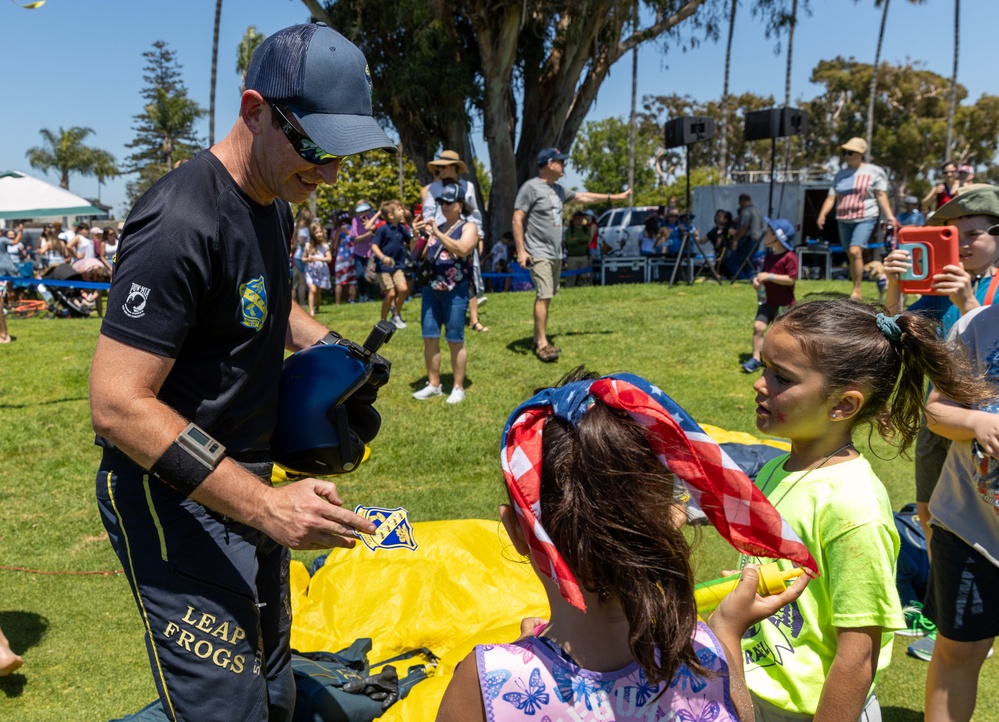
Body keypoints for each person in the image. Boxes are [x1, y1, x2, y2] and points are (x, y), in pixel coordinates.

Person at [88, 22, 393, 722]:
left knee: (274, 690)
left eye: (343, 153)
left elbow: (267, 306)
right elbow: (116, 404)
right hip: (170, 495)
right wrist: (266, 507)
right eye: (316, 148)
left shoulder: (268, 204)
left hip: (246, 483)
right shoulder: (180, 221)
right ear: (255, 109)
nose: (329, 174)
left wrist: (344, 360)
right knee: (226, 709)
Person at [437, 367, 813, 722]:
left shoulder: (486, 682)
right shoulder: (704, 654)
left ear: (517, 530)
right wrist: (727, 632)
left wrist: (520, 660)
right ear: (673, 518)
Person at [739, 298, 988, 721]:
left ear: (843, 405)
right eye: (764, 368)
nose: (761, 385)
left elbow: (858, 654)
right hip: (759, 689)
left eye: (781, 377)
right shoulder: (777, 470)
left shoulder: (852, 506)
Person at [882, 185, 999, 656]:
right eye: (954, 236)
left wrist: (970, 302)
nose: (965, 245)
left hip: (984, 432)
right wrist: (893, 285)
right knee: (932, 515)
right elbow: (891, 334)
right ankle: (946, 612)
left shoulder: (987, 290)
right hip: (941, 421)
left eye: (973, 234)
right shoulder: (934, 283)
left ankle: (977, 624)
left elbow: (988, 354)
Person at [921, 288, 999, 721]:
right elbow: (937, 412)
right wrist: (975, 420)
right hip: (969, 525)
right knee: (957, 651)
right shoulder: (976, 325)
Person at [513, 147, 631, 362]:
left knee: (547, 298)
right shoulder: (530, 188)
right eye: (561, 162)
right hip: (539, 252)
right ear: (550, 164)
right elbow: (517, 218)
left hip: (556, 254)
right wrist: (521, 250)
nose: (564, 165)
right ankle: (541, 344)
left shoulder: (557, 189)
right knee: (544, 295)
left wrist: (613, 197)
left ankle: (538, 338)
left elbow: (583, 197)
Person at [411, 182, 478, 404]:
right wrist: (416, 235)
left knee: (454, 339)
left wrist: (437, 233)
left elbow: (463, 249)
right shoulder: (435, 227)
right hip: (431, 289)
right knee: (429, 338)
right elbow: (416, 254)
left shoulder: (469, 227)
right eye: (441, 202)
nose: (444, 206)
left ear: (460, 205)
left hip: (455, 291)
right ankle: (434, 384)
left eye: (449, 203)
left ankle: (458, 387)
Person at [816, 137, 897, 300]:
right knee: (851, 254)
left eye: (850, 152)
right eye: (844, 152)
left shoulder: (874, 171)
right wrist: (822, 214)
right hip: (843, 218)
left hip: (865, 216)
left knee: (855, 250)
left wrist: (890, 216)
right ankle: (855, 285)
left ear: (860, 154)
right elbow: (831, 198)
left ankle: (857, 290)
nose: (846, 155)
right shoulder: (840, 175)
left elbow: (881, 195)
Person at [740, 218, 798, 374]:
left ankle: (783, 362)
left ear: (778, 237)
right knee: (758, 327)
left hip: (785, 304)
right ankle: (755, 359)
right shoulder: (769, 256)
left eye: (769, 232)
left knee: (782, 335)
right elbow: (764, 278)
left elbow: (791, 279)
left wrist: (769, 276)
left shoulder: (790, 257)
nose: (765, 234)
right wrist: (758, 283)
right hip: (767, 301)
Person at [370, 199, 412, 329]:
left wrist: (415, 236)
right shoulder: (382, 229)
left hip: (398, 265)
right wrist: (382, 257)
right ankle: (382, 321)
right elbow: (374, 246)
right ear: (391, 215)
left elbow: (411, 243)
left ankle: (395, 315)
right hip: (383, 268)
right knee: (391, 294)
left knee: (404, 289)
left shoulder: (402, 229)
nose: (403, 211)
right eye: (399, 209)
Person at [724, 194, 764, 280]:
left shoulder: (746, 211)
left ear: (742, 201)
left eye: (739, 202)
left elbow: (744, 227)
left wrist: (736, 239)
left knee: (732, 262)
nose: (739, 205)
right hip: (756, 241)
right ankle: (750, 279)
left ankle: (742, 279)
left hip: (747, 241)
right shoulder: (757, 210)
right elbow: (761, 225)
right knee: (747, 262)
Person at [350, 200, 378, 302]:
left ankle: (371, 297)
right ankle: (362, 294)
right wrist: (368, 234)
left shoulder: (374, 219)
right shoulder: (355, 221)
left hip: (371, 252)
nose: (363, 213)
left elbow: (379, 231)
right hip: (359, 252)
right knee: (360, 275)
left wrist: (372, 229)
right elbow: (355, 238)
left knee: (370, 276)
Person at [304, 221, 332, 316]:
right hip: (310, 272)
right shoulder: (308, 246)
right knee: (313, 290)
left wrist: (318, 259)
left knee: (318, 291)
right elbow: (303, 258)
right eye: (317, 232)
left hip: (321, 272)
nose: (319, 234)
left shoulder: (324, 246)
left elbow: (329, 259)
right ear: (312, 234)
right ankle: (311, 311)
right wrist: (308, 259)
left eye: (320, 232)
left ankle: (317, 307)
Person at [332, 212, 357, 305]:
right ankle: (352, 301)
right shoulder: (353, 229)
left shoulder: (337, 230)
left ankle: (338, 303)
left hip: (340, 259)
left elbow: (334, 247)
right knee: (351, 281)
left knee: (339, 282)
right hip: (351, 257)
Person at [563, 211, 593, 284]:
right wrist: (581, 240)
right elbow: (569, 241)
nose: (577, 219)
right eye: (575, 218)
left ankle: (584, 289)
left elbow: (587, 239)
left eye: (579, 218)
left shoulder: (586, 229)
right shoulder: (569, 230)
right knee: (571, 276)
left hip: (584, 256)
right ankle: (569, 289)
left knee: (584, 276)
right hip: (572, 257)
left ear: (582, 219)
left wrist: (577, 239)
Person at [291, 207, 312, 308]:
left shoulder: (298, 228)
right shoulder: (304, 229)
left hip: (296, 256)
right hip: (301, 257)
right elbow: (302, 242)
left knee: (295, 283)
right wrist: (309, 248)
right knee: (302, 282)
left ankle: (294, 304)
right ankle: (302, 303)